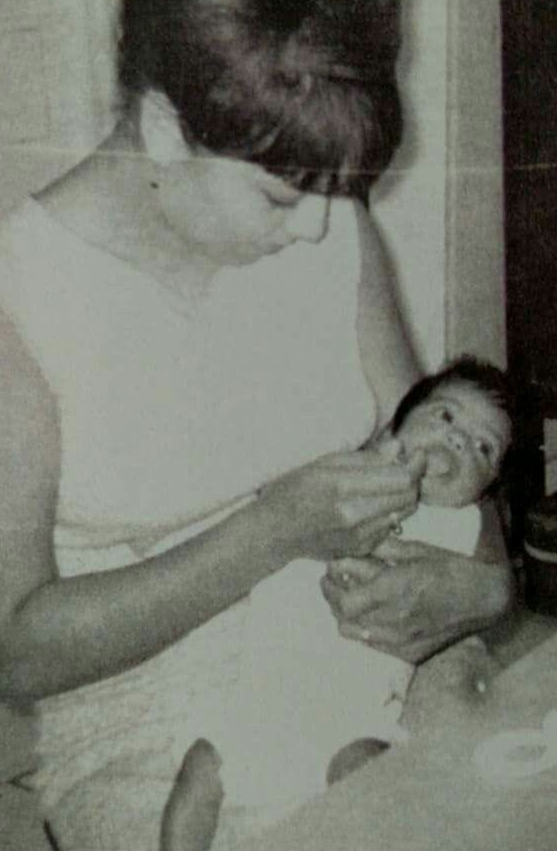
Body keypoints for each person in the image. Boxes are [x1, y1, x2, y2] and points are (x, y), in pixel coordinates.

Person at [0, 0, 513, 850]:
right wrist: (273, 532)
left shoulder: (320, 215)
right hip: (158, 738)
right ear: (164, 129)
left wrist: (479, 590)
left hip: (376, 675)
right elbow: (10, 649)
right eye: (285, 196)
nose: (323, 227)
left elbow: (444, 459)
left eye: (335, 192)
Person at [154, 356, 513, 846]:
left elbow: (486, 592)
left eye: (483, 447)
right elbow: (274, 494)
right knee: (200, 770)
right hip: (261, 692)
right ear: (398, 421)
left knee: (370, 774)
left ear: (487, 487)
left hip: (355, 712)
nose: (457, 440)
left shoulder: (463, 525)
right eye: (447, 415)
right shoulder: (345, 472)